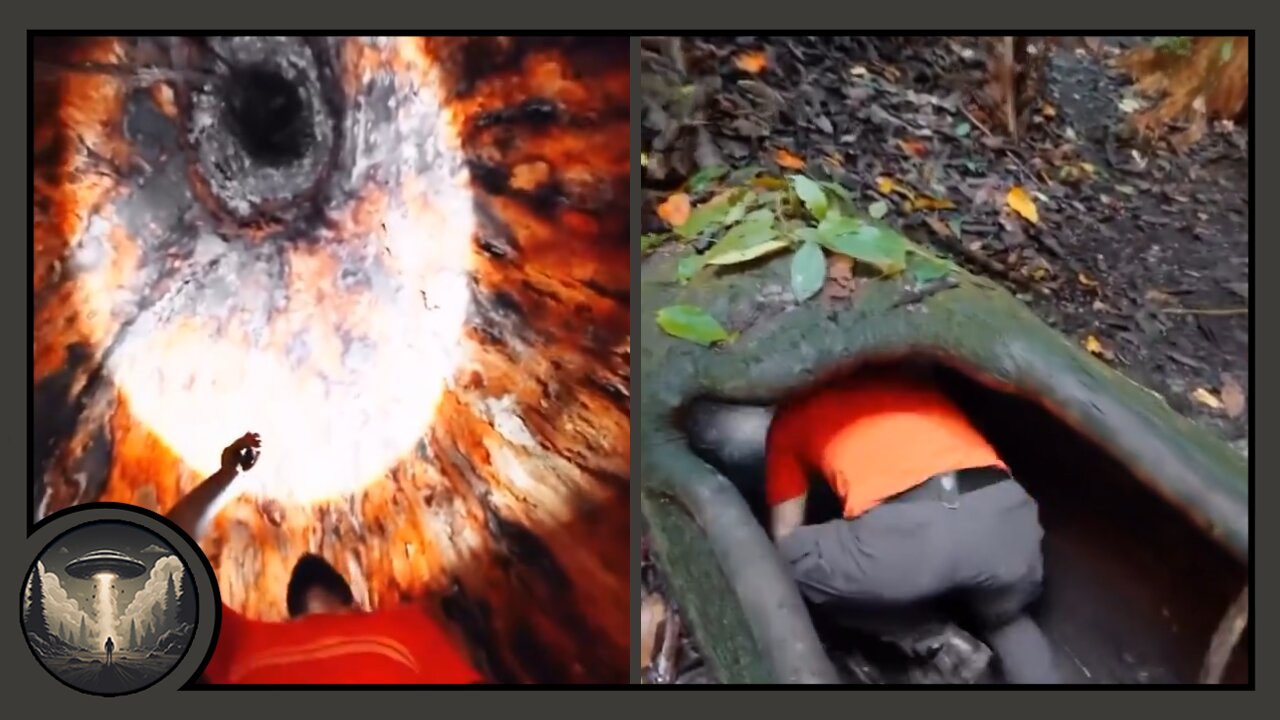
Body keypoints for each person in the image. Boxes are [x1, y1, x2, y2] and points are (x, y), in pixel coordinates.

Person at [764, 365, 1060, 684]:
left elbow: (786, 535)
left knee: (790, 561)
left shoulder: (792, 417)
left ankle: (938, 640)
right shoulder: (912, 380)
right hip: (1007, 518)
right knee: (1007, 618)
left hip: (910, 538)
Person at [167, 432, 483, 684]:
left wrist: (230, 474)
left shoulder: (248, 642)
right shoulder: (404, 626)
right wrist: (229, 473)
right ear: (358, 605)